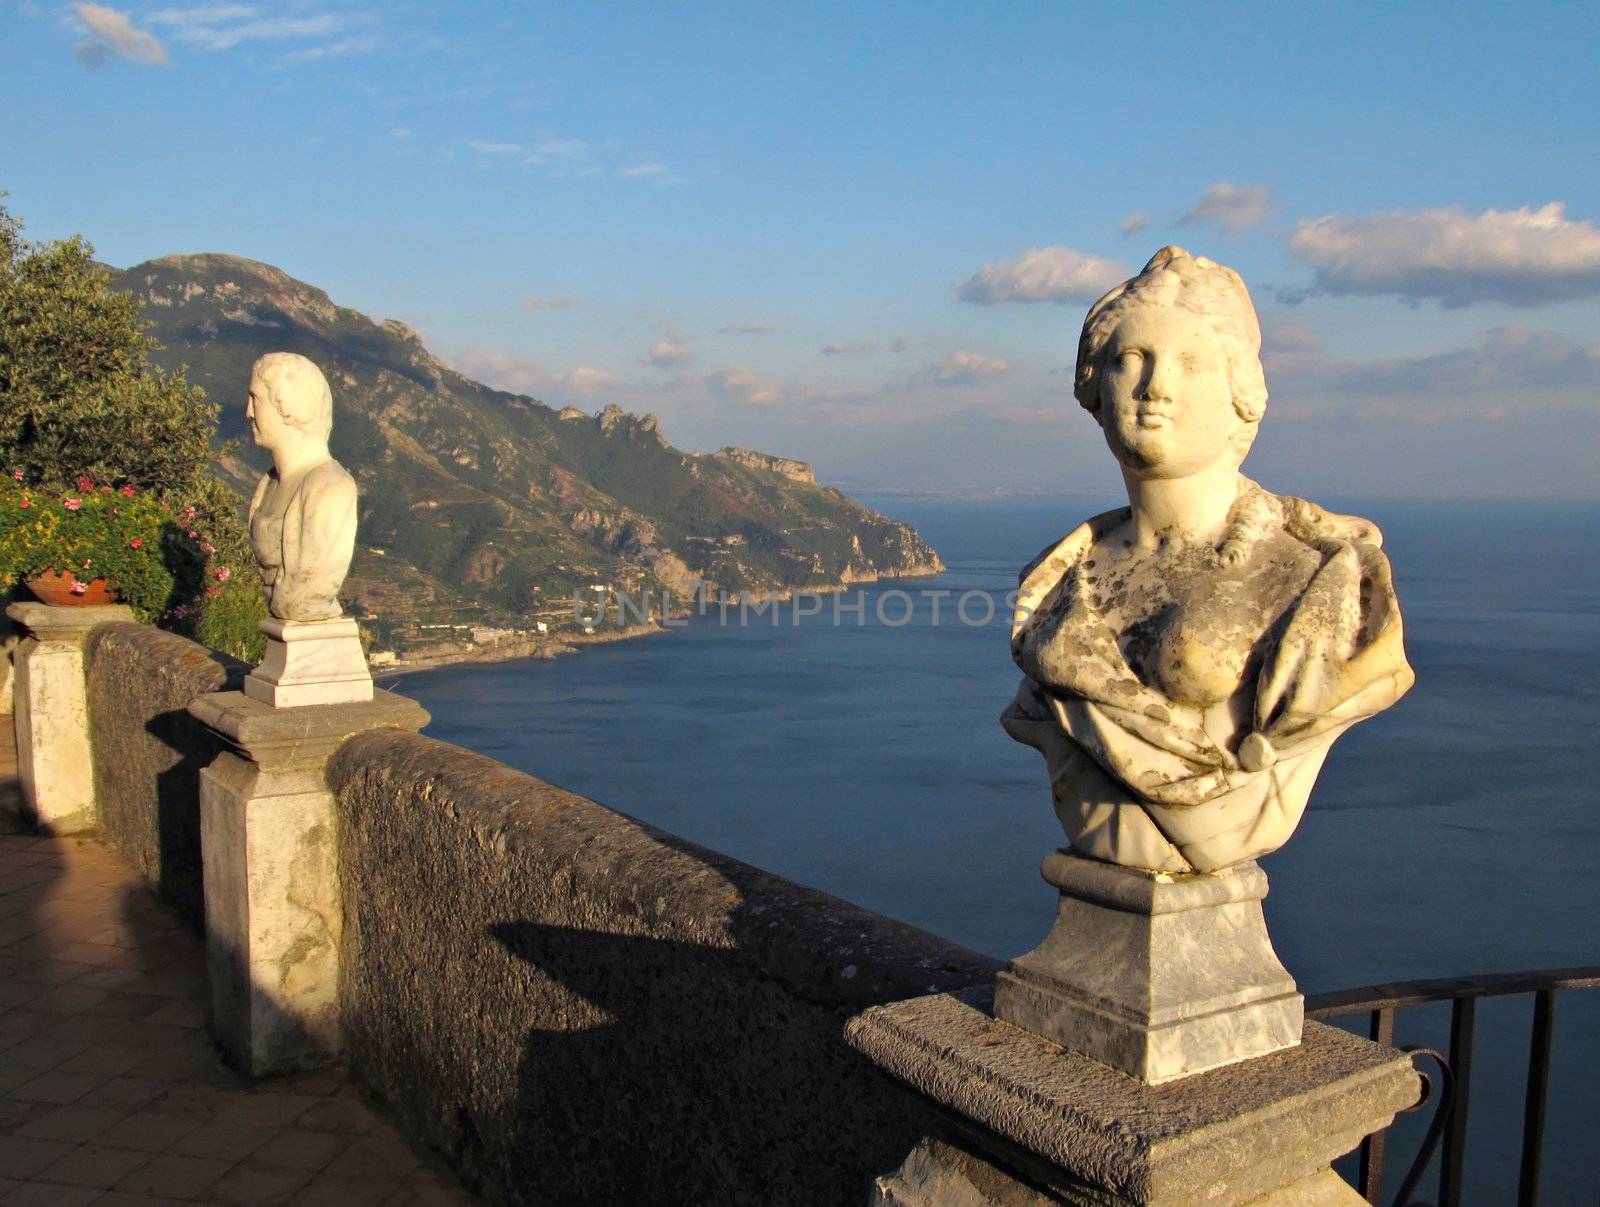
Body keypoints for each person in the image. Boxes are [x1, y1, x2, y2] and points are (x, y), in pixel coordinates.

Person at [1002, 247, 1413, 874]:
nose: (1155, 387)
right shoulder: (1058, 582)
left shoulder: (1318, 580)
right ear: (1095, 386)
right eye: (1131, 359)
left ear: (1239, 393)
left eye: (1190, 364)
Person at [244, 352, 357, 622]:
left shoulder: (331, 487)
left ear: (287, 408)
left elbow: (312, 584)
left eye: (255, 399)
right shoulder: (268, 483)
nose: (248, 412)